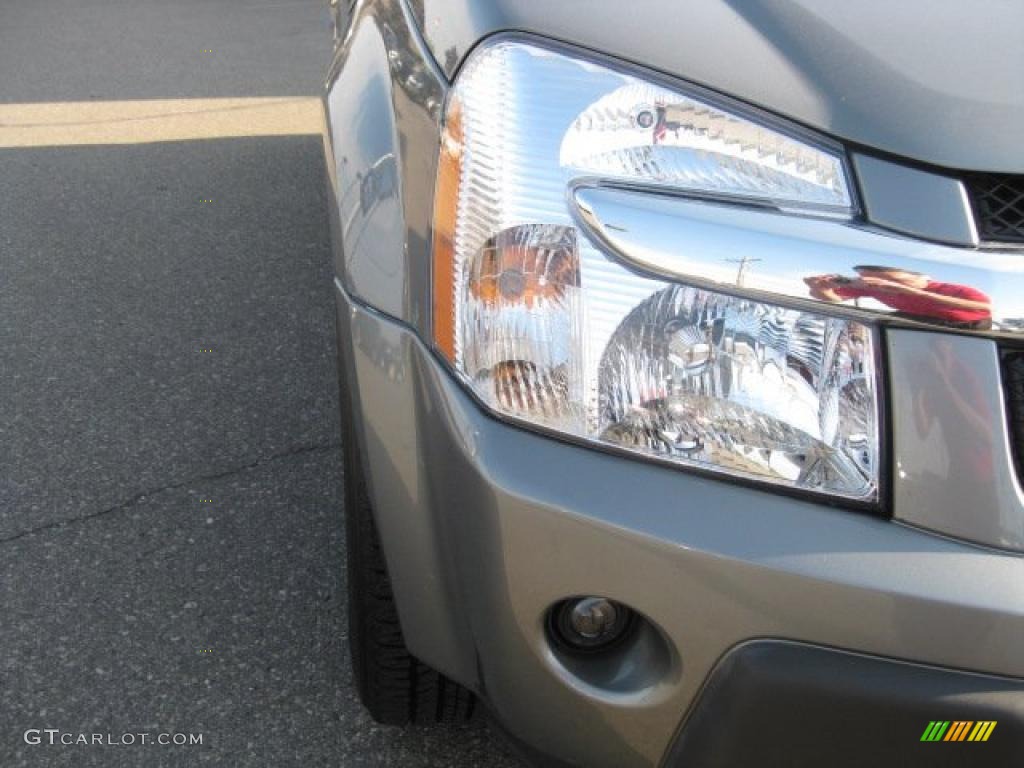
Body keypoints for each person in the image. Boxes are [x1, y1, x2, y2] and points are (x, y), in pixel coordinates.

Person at [803, 265, 992, 329]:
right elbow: (833, 299)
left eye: (889, 278)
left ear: (921, 278)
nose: (879, 284)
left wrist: (912, 292)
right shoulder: (873, 288)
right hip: (921, 322)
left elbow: (986, 309)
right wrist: (819, 287)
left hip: (970, 324)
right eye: (868, 279)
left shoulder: (958, 290)